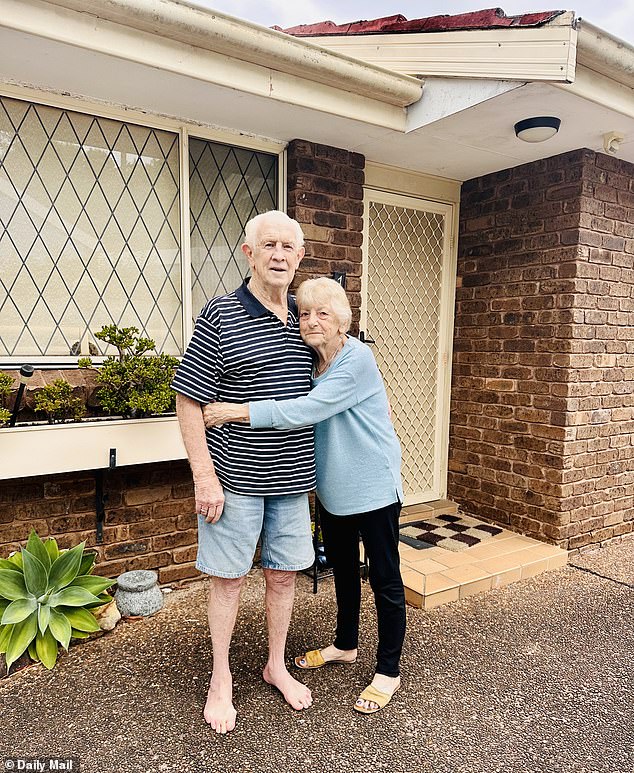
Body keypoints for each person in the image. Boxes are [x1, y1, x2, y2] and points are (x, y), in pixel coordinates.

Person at [203, 277, 406, 715]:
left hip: (372, 487)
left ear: (343, 322)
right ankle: (346, 646)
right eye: (305, 313)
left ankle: (388, 670)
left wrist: (239, 411)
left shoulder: (356, 358)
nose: (311, 321)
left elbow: (305, 411)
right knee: (344, 572)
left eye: (323, 314)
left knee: (385, 579)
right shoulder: (311, 362)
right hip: (332, 490)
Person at [172, 211, 316, 735]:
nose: (279, 255)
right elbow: (189, 404)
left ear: (300, 258)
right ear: (248, 253)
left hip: (294, 481)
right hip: (235, 481)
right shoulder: (222, 313)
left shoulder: (307, 316)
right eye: (269, 245)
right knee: (228, 581)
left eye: (289, 247)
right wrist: (203, 478)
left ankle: (275, 664)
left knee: (282, 575)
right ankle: (220, 677)